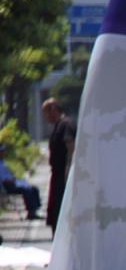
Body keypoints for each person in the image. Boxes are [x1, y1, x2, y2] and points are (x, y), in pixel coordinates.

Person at [42, 98, 75, 236]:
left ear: (54, 109)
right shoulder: (57, 126)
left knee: (61, 210)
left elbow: (70, 147)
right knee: (54, 211)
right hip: (56, 174)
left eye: (47, 113)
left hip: (63, 174)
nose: (46, 117)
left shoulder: (65, 125)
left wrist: (68, 170)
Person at [0, 144, 42, 220]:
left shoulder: (3, 163)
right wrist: (12, 180)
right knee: (27, 190)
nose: (4, 153)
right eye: (2, 151)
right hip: (8, 186)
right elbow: (4, 179)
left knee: (34, 188)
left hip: (13, 183)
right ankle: (31, 213)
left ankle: (34, 210)